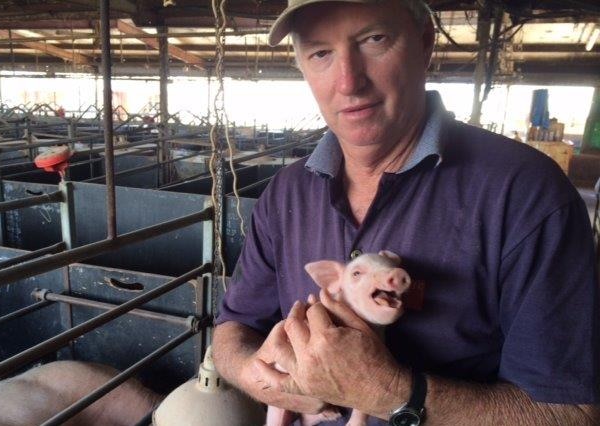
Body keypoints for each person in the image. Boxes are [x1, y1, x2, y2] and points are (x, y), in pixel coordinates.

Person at [212, 0, 600, 424]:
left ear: (425, 43)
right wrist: (261, 379)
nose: (348, 82)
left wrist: (395, 392)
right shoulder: (286, 192)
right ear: (302, 65)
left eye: (373, 40)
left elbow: (572, 412)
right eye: (321, 53)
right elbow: (233, 331)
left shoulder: (526, 193)